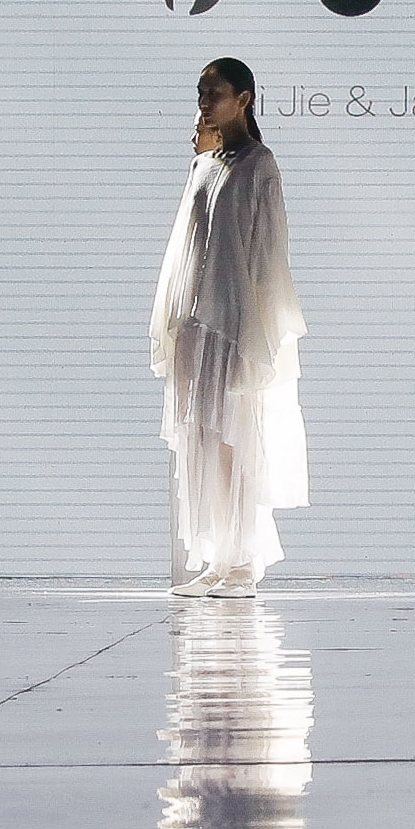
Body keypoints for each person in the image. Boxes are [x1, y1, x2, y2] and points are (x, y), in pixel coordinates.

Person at [151, 57, 307, 597]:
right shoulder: (202, 166)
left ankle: (242, 562)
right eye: (200, 92)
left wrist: (257, 328)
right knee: (202, 439)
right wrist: (176, 318)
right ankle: (218, 558)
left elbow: (268, 250)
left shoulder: (260, 164)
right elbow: (186, 247)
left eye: (214, 92)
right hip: (198, 322)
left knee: (237, 440)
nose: (204, 101)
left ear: (243, 99)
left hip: (237, 324)